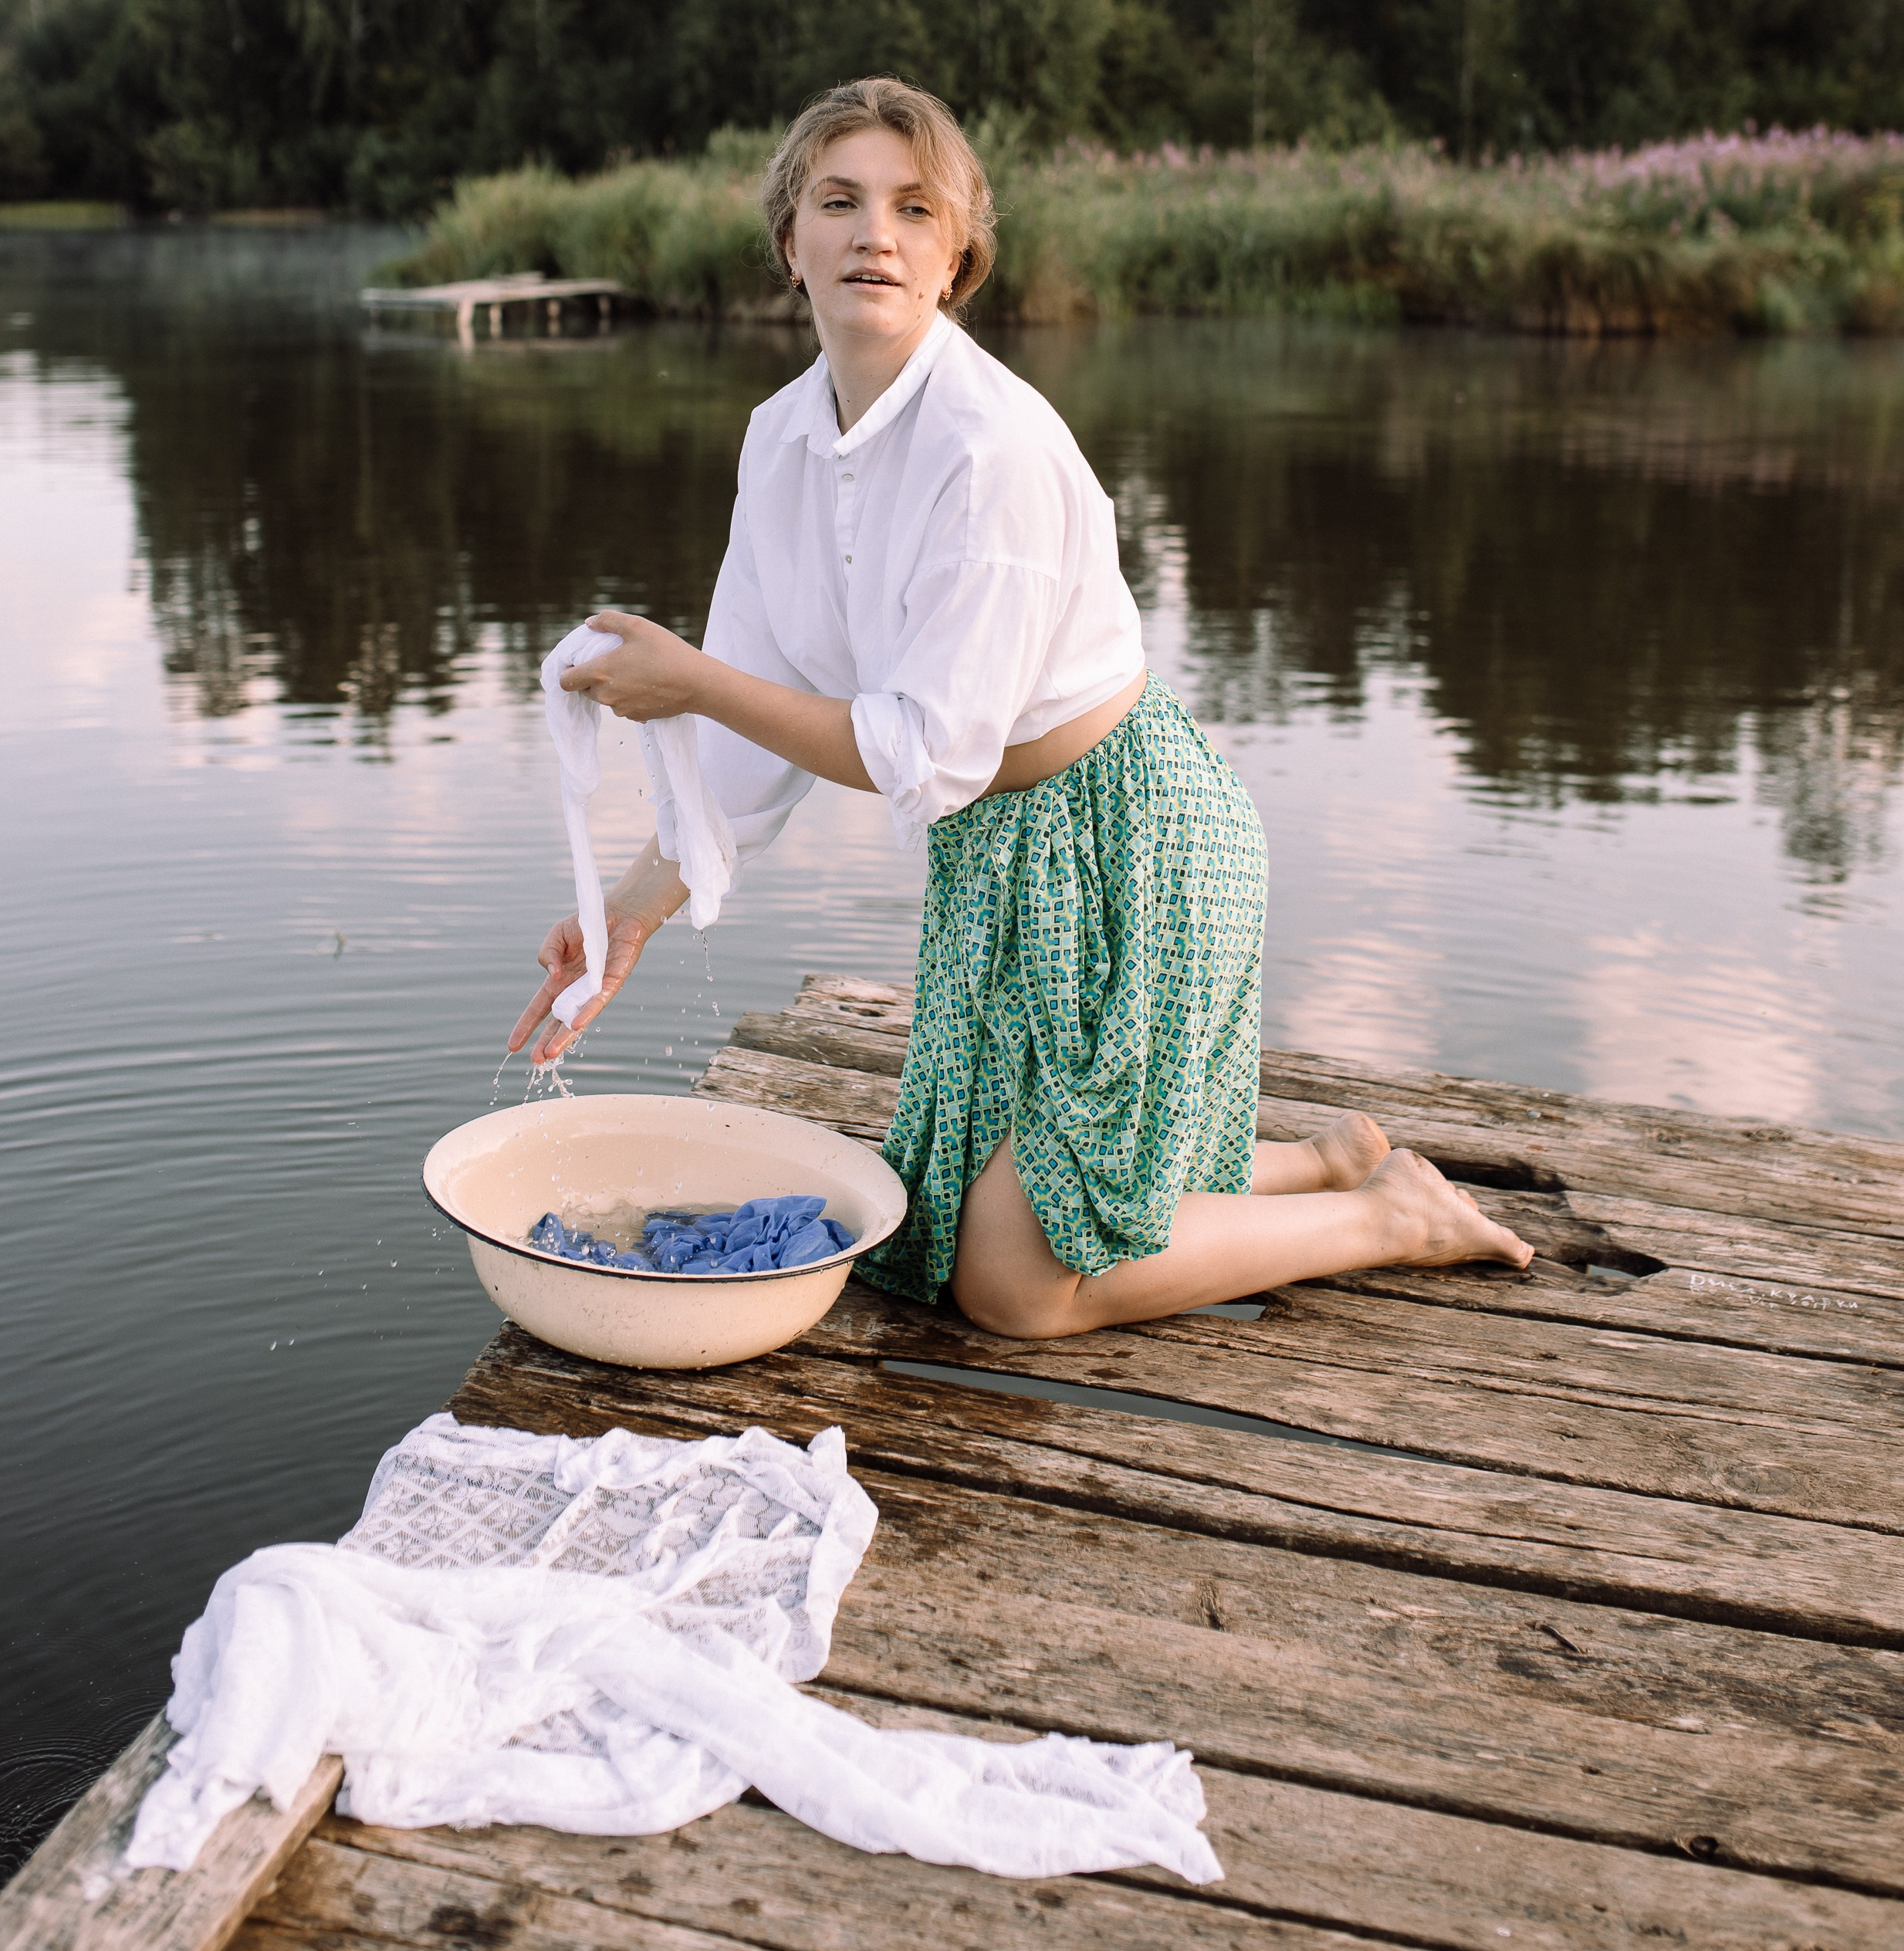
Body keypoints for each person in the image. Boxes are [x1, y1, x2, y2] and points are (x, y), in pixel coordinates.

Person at [507, 78, 1532, 1336]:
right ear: (790, 242)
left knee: (1009, 1287)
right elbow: (743, 747)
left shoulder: (990, 448)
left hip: (1132, 848)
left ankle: (1389, 1217)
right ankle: (1317, 1163)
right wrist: (624, 916)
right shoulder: (778, 442)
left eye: (913, 208)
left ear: (957, 258)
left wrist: (693, 680)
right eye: (839, 202)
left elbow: (921, 755)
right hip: (997, 860)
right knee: (934, 1221)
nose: (874, 234)